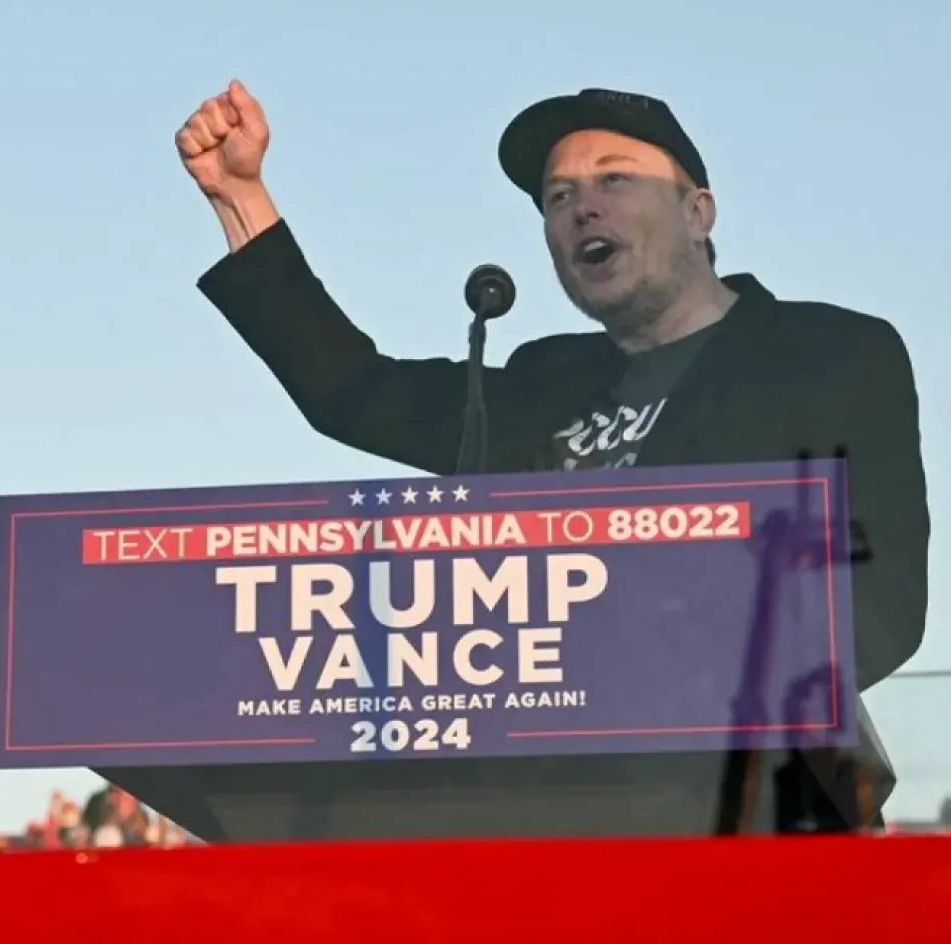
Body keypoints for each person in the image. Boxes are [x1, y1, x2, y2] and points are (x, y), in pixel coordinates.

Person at [175, 82, 928, 832]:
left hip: (763, 812)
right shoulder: (545, 383)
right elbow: (355, 391)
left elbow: (881, 601)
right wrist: (241, 197)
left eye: (615, 179)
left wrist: (689, 690)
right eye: (557, 196)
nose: (581, 208)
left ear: (698, 213)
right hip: (556, 820)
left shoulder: (830, 353)